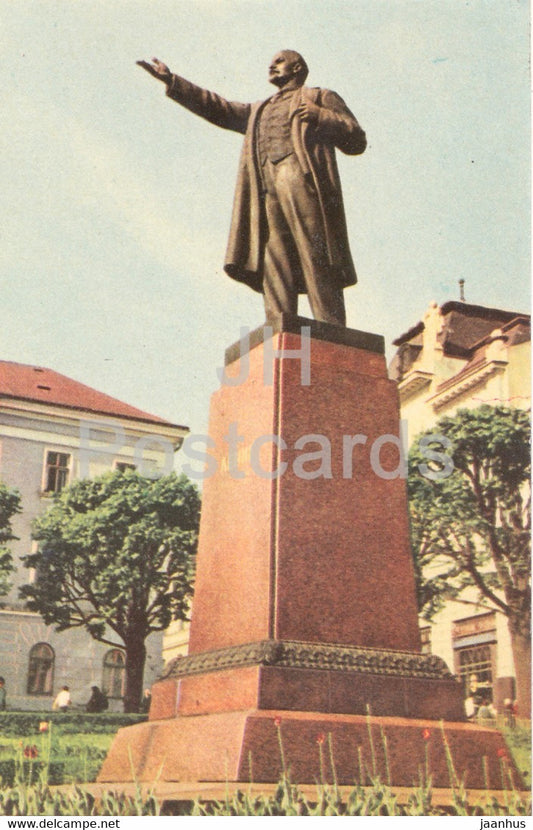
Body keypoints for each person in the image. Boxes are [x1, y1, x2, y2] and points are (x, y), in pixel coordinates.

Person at [137, 51, 367, 327]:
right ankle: (279, 326)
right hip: (266, 187)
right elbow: (219, 108)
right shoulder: (259, 109)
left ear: (297, 68)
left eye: (280, 61)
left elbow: (356, 139)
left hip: (301, 181)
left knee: (314, 252)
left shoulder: (319, 97)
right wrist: (173, 81)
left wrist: (321, 116)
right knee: (274, 258)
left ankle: (332, 327)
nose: (271, 65)